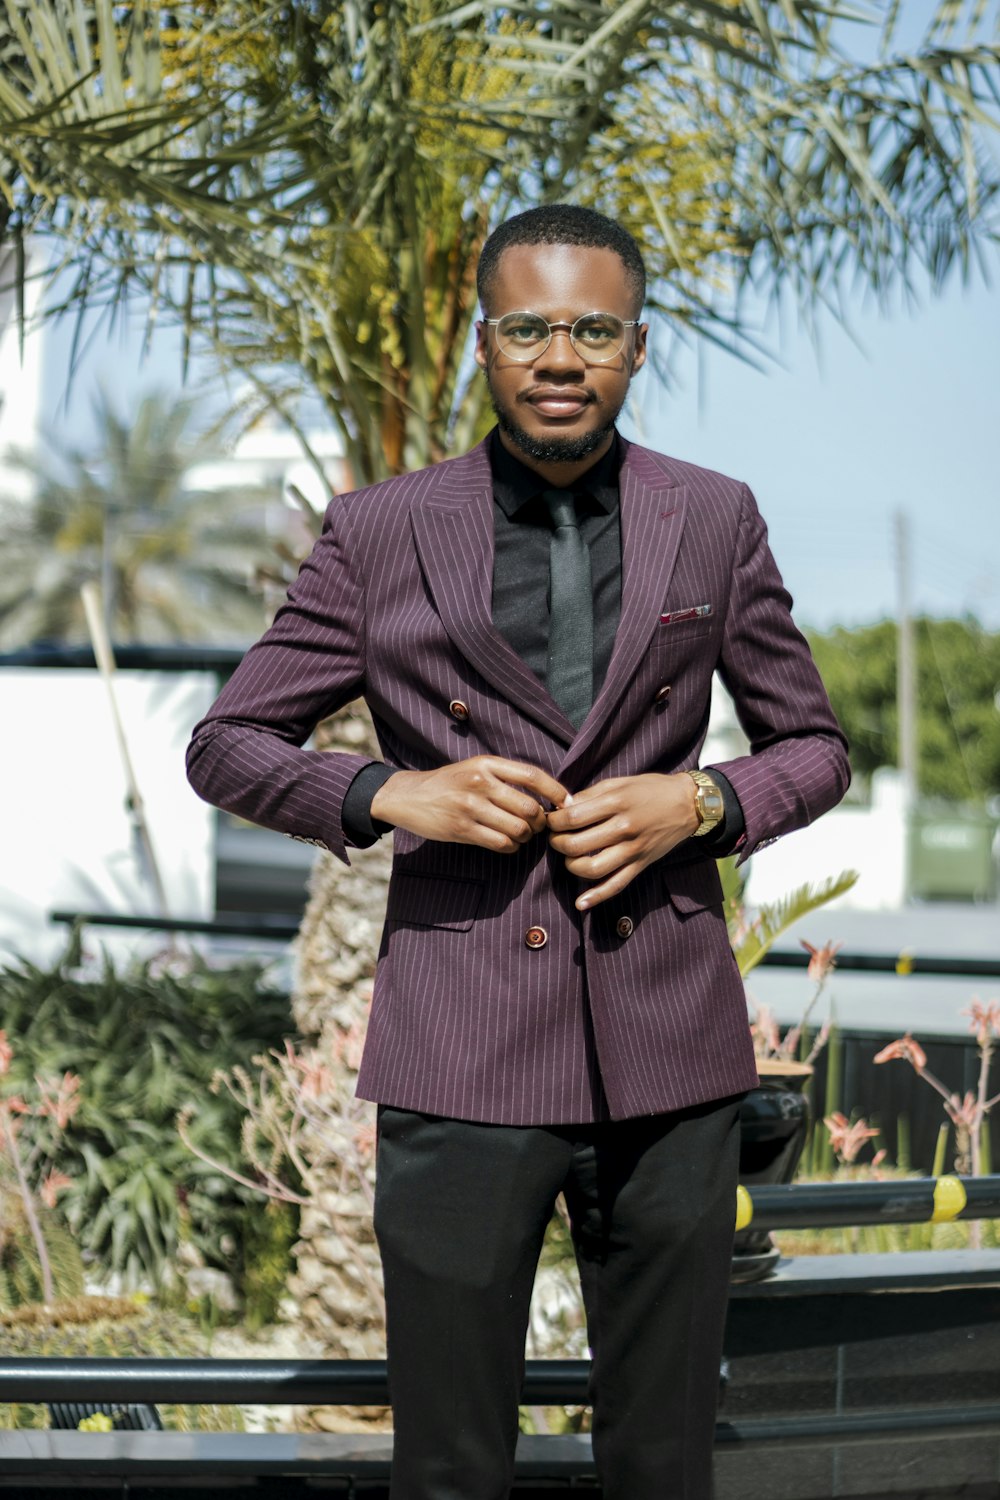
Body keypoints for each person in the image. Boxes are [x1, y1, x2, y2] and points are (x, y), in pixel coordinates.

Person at [186, 204, 849, 1499]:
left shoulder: (713, 518)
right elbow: (227, 744)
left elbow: (813, 744)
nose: (562, 356)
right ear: (484, 346)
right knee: (449, 1469)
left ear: (638, 346)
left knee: (665, 1462)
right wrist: (394, 795)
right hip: (460, 1049)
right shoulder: (380, 529)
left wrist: (701, 804)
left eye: (592, 329)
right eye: (531, 327)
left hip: (668, 1056)